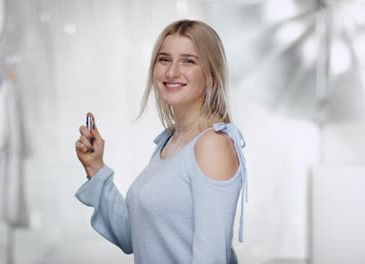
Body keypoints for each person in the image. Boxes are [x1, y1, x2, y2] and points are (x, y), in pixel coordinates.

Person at [75, 19, 247, 264]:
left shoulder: (212, 144)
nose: (171, 72)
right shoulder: (169, 143)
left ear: (211, 73)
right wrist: (95, 167)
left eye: (188, 61)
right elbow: (132, 236)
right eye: (164, 59)